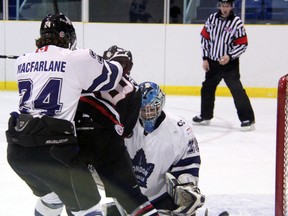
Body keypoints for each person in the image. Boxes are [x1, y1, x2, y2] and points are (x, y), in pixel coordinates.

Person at [5, 13, 129, 216]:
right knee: (88, 208)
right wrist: (117, 60)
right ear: (67, 37)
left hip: (18, 152)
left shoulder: (22, 61)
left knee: (52, 199)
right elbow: (112, 78)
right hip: (54, 153)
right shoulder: (77, 58)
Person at [74, 46, 160, 216]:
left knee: (79, 201)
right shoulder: (134, 89)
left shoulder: (87, 79)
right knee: (133, 198)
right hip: (109, 146)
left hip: (78, 143)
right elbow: (126, 131)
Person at [107, 81, 205, 216]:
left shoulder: (180, 129)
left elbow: (188, 161)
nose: (148, 114)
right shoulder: (125, 124)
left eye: (152, 109)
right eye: (143, 110)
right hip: (129, 194)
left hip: (162, 195)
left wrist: (186, 187)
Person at [192, 0, 255, 131]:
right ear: (219, 6)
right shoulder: (212, 19)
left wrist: (229, 56)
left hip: (229, 64)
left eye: (227, 6)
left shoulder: (237, 22)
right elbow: (204, 38)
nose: (224, 8)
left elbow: (243, 44)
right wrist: (205, 58)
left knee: (237, 90)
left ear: (232, 7)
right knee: (207, 88)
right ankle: (206, 115)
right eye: (222, 5)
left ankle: (247, 119)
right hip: (213, 63)